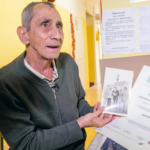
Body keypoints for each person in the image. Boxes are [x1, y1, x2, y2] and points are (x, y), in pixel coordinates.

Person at [0, 2, 113, 150]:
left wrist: (93, 113)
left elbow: (78, 102)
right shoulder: (7, 83)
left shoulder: (68, 63)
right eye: (45, 24)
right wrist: (80, 124)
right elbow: (26, 144)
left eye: (59, 26)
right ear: (24, 35)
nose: (57, 35)